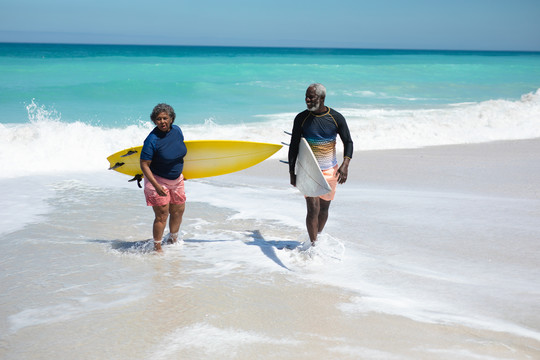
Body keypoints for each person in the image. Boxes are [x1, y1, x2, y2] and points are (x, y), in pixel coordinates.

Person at [288, 83, 353, 246]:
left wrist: (345, 165)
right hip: (308, 171)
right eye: (306, 97)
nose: (307, 100)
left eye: (311, 97)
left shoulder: (336, 118)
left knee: (324, 209)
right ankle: (314, 245)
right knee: (313, 208)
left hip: (330, 170)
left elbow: (348, 142)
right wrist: (292, 173)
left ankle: (317, 236)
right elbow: (294, 146)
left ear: (322, 98)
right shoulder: (301, 118)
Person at [140, 103, 188, 252]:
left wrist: (182, 173)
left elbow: (178, 152)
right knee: (162, 215)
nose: (162, 121)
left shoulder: (177, 131)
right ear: (154, 121)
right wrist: (156, 185)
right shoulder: (151, 140)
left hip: (176, 179)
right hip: (157, 180)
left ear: (171, 119)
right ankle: (157, 247)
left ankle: (173, 239)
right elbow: (144, 164)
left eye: (165, 118)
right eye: (158, 119)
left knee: (178, 210)